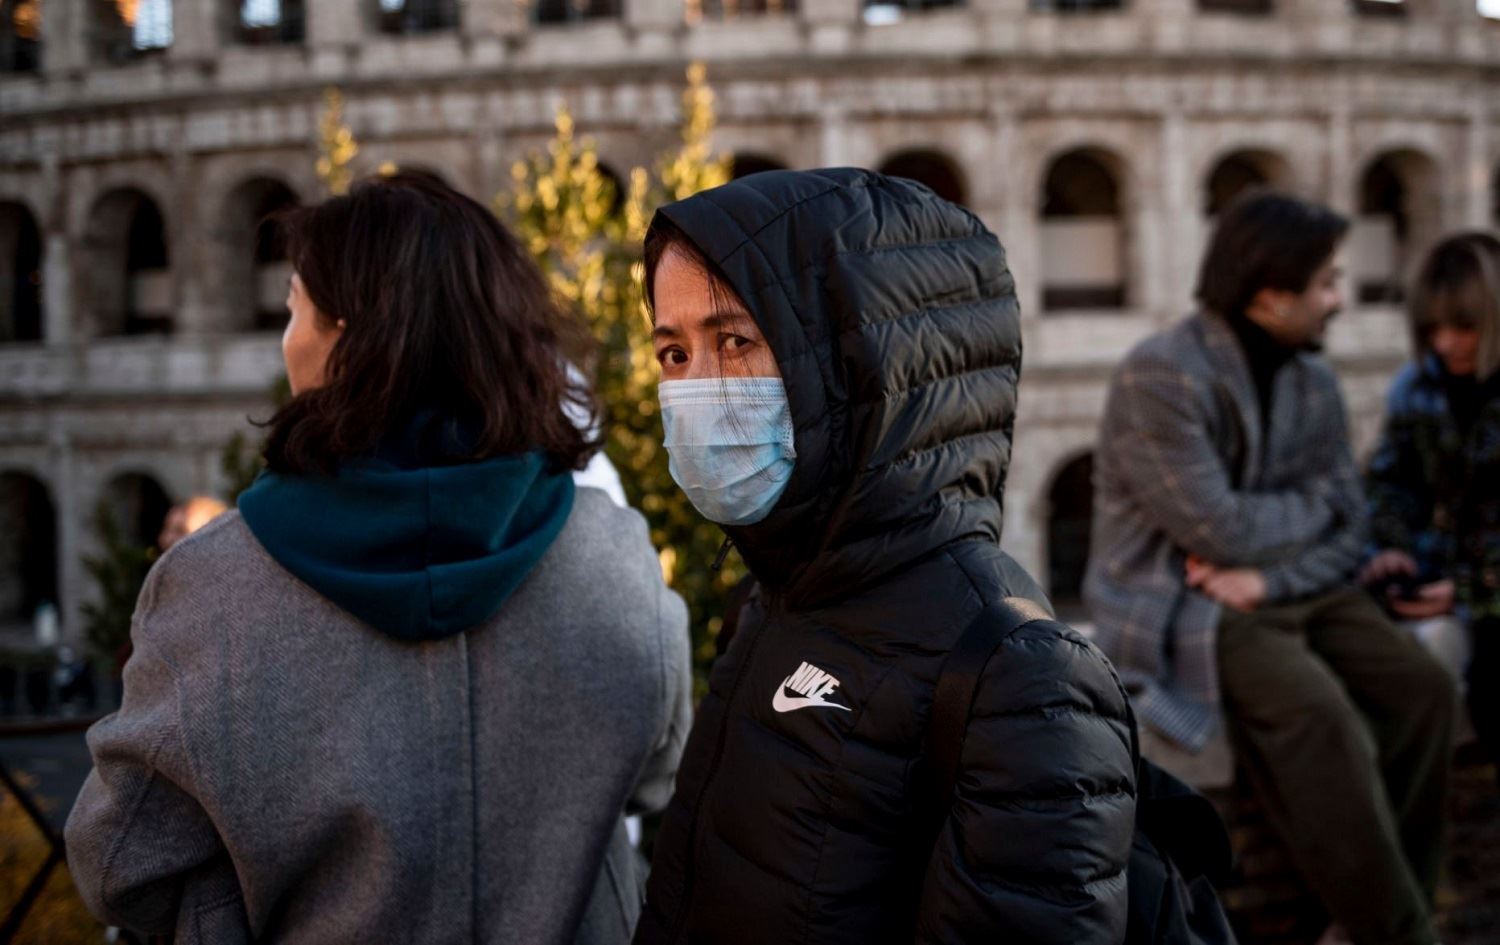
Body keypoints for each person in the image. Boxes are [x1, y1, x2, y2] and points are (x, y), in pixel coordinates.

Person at [65, 172, 692, 945]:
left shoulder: (208, 585)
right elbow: (658, 774)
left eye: (293, 306)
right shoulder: (614, 554)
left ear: (345, 333)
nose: (284, 336)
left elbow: (118, 861)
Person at [632, 168, 1137, 945]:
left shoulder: (1020, 678)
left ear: (853, 361)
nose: (698, 389)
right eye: (673, 353)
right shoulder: (774, 602)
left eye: (734, 341)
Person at [1085, 190, 1456, 945]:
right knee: (1322, 718)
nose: (1339, 300)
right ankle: (1403, 932)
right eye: (1326, 283)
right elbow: (1216, 526)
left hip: (1286, 589)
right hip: (1189, 604)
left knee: (1426, 690)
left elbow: (1348, 518)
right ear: (1270, 293)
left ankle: (1380, 916)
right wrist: (1312, 510)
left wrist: (1271, 573)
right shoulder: (1159, 375)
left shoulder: (1312, 379)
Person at [1364, 231, 1500, 780]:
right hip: (1445, 580)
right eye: (1432, 329)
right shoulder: (1418, 386)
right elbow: (1388, 480)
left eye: (1463, 327)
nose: (1446, 343)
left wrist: (1472, 589)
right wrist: (1393, 549)